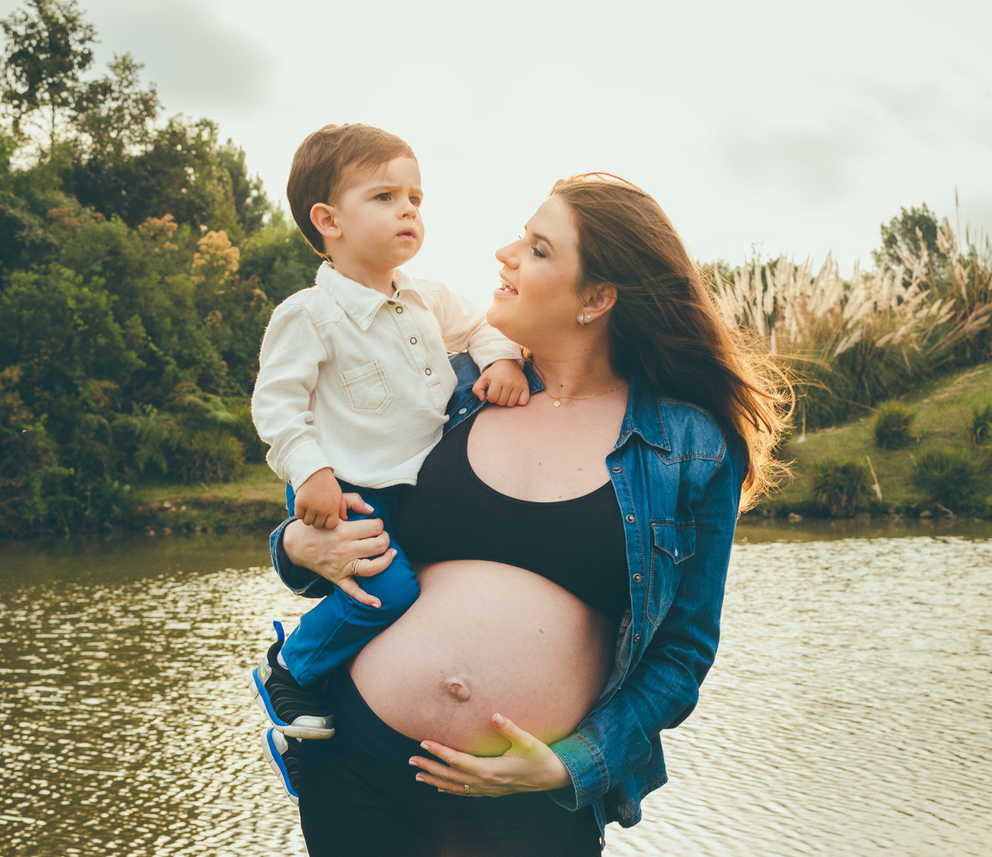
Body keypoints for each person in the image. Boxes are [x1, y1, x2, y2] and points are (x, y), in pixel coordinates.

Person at [266, 173, 789, 855]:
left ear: (597, 297)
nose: (505, 254)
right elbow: (340, 513)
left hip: (529, 809)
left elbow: (682, 654)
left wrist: (574, 763)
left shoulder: (687, 447)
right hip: (361, 769)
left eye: (539, 249)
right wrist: (296, 545)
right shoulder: (448, 391)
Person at [247, 124, 529, 775]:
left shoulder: (426, 298)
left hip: (416, 488)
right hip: (343, 487)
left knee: (419, 598)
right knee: (388, 595)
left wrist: (505, 361)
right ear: (328, 220)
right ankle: (289, 664)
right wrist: (310, 471)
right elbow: (278, 404)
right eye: (384, 196)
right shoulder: (310, 313)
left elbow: (484, 327)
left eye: (416, 197)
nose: (408, 209)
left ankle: (328, 726)